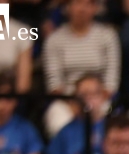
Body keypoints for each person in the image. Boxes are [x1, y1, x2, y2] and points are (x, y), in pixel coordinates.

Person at [42, 0, 121, 136]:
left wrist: (95, 100)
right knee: (57, 118)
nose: (82, 9)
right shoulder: (54, 39)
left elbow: (111, 80)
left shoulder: (108, 36)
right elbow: (54, 84)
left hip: (100, 97)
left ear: (95, 8)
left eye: (88, 4)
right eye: (77, 3)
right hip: (67, 100)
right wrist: (75, 104)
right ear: (68, 7)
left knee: (110, 117)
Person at [44, 72, 111, 154]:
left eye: (94, 94)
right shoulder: (65, 132)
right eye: (84, 95)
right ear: (75, 99)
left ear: (103, 97)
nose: (89, 99)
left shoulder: (112, 128)